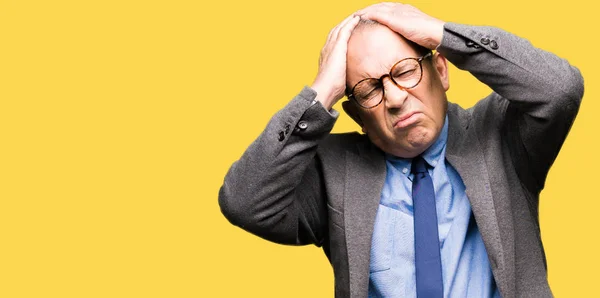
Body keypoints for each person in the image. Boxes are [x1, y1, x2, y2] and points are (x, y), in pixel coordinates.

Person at [218, 2, 584, 297]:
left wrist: (442, 34)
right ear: (356, 113)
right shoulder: (333, 170)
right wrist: (321, 93)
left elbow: (560, 89)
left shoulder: (500, 135)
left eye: (405, 71)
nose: (394, 98)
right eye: (369, 90)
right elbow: (244, 203)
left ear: (441, 71)